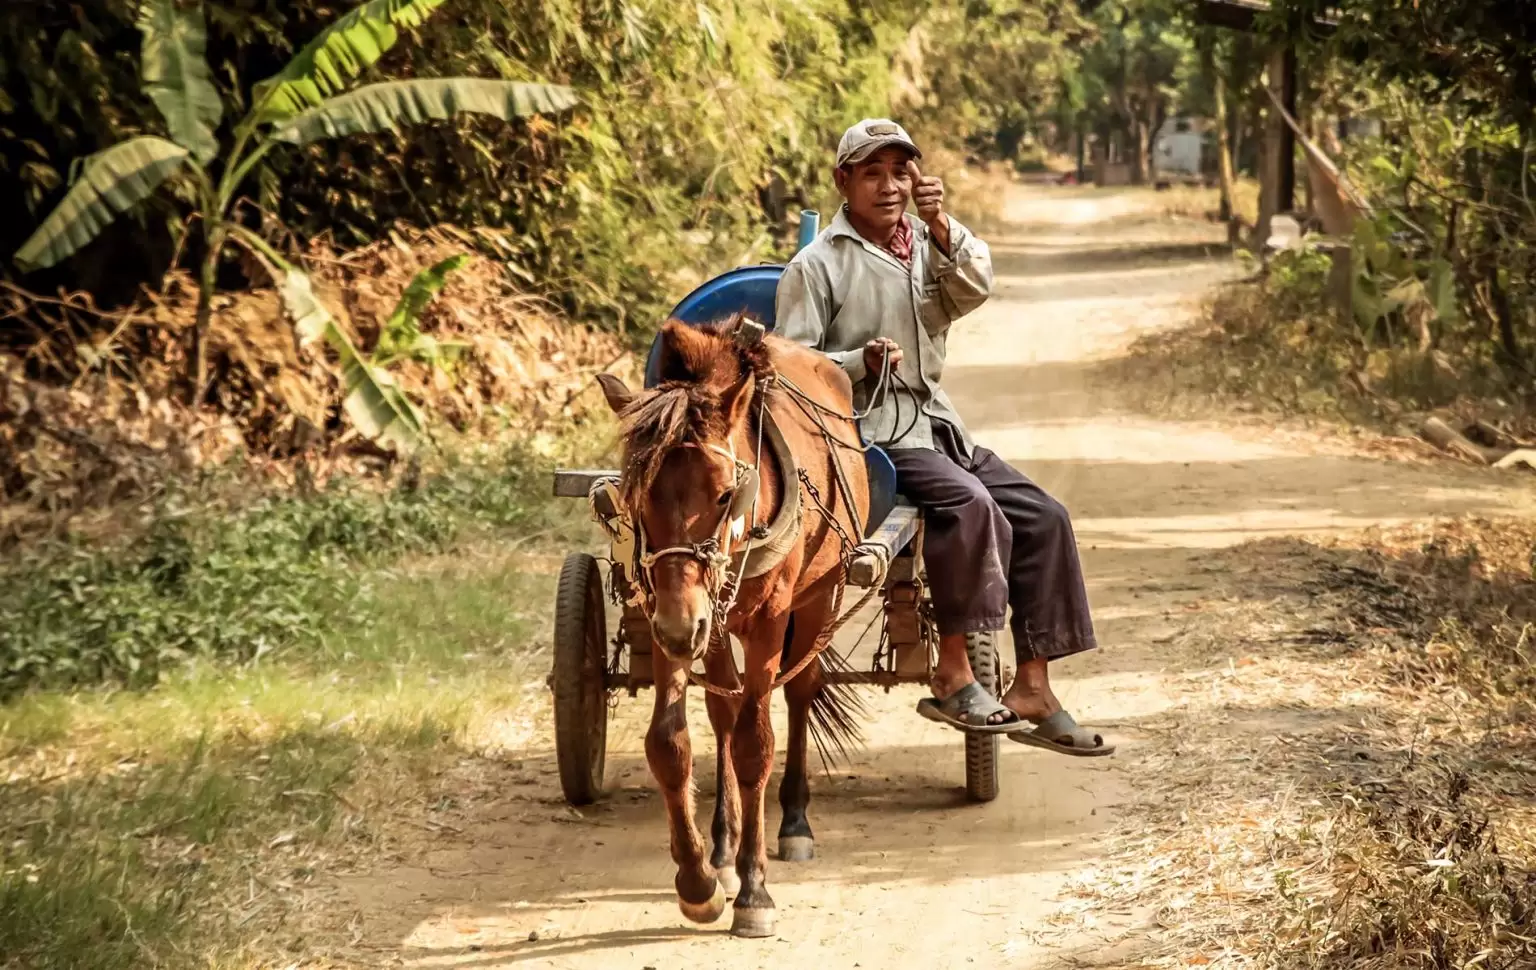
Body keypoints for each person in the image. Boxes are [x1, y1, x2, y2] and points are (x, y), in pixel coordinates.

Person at [775, 118, 1113, 756]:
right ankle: (955, 671)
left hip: (936, 426)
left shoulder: (926, 245)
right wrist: (857, 363)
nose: (888, 186)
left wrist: (942, 227)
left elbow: (974, 286)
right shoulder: (817, 265)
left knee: (1045, 515)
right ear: (843, 182)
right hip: (872, 439)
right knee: (968, 504)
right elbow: (794, 364)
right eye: (871, 173)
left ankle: (1033, 684)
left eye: (898, 172)